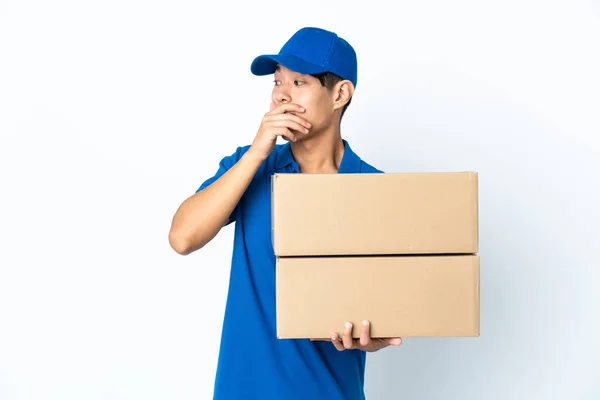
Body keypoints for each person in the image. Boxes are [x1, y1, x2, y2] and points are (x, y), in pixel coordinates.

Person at [168, 26, 402, 400]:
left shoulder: (376, 190)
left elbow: (387, 312)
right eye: (277, 82)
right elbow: (182, 238)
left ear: (340, 93)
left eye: (299, 82)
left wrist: (370, 340)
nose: (281, 96)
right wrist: (259, 151)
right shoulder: (249, 167)